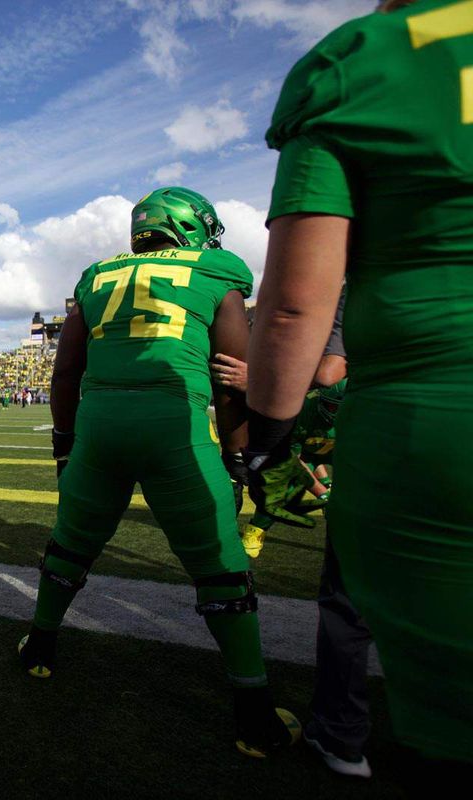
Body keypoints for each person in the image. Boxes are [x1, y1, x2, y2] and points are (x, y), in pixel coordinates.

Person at [246, 0, 472, 780]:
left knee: (360, 609)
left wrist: (270, 429)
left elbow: (295, 303)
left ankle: (340, 735)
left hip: (436, 417)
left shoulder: (365, 57)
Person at [18, 186, 301, 758]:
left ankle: (41, 647)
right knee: (220, 565)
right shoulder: (217, 267)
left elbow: (66, 370)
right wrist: (238, 454)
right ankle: (252, 713)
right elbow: (231, 373)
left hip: (99, 425)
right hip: (175, 426)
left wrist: (65, 446)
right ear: (190, 227)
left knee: (72, 543)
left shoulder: (96, 275)